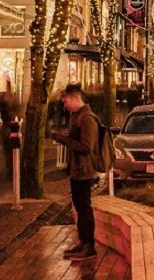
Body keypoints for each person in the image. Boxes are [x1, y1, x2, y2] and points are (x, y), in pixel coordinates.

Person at [50, 84, 99, 261]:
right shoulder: (77, 116)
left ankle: (89, 246)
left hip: (84, 170)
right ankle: (83, 241)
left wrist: (63, 139)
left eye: (66, 101)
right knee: (79, 206)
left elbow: (86, 146)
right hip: (77, 169)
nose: (65, 105)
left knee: (84, 207)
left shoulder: (87, 118)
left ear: (75, 98)